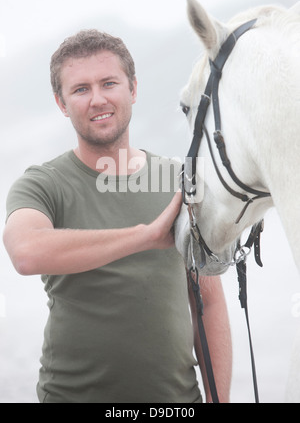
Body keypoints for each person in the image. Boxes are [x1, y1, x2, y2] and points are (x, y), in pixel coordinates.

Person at [3, 30, 232, 403]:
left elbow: (208, 302)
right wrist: (145, 236)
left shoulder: (180, 179)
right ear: (61, 103)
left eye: (109, 83)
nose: (97, 99)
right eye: (80, 89)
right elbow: (26, 252)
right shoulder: (42, 184)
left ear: (133, 89)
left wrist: (218, 400)